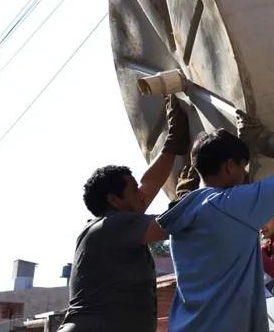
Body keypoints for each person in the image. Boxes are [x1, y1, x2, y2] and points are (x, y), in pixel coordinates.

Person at [159, 112, 274, 332]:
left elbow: (238, 203)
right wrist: (271, 143)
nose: (243, 174)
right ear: (230, 166)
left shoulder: (186, 210)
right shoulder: (232, 205)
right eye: (242, 166)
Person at [59, 96, 191, 332]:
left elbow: (149, 185)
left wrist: (173, 144)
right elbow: (174, 223)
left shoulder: (110, 227)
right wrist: (187, 193)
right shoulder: (112, 227)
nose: (141, 194)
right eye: (132, 190)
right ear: (114, 199)